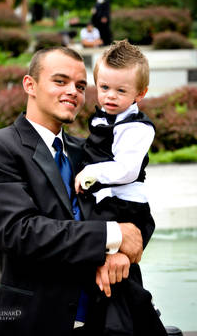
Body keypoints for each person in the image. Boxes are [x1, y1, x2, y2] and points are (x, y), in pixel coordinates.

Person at [0, 46, 146, 336]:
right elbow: (20, 232)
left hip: (106, 320)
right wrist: (111, 236)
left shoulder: (88, 153)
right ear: (30, 85)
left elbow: (135, 211)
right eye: (60, 81)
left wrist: (121, 253)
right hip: (35, 322)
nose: (73, 92)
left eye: (80, 86)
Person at [75, 40, 168, 335]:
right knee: (113, 278)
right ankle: (119, 322)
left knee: (118, 279)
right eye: (104, 88)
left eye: (121, 91)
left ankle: (140, 319)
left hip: (127, 209)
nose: (110, 97)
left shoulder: (138, 128)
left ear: (141, 93)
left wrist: (89, 173)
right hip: (108, 205)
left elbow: (126, 170)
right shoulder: (105, 117)